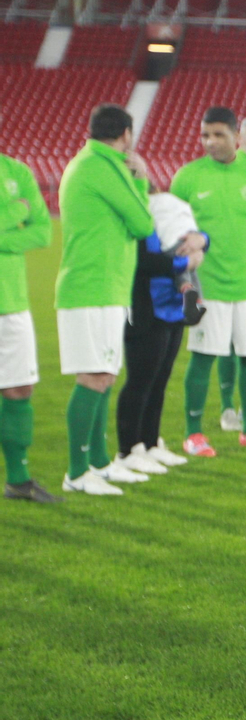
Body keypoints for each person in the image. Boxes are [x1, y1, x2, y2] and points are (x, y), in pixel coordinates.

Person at [54, 104, 158, 495]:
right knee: (93, 377)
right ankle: (76, 473)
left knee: (105, 375)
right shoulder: (103, 166)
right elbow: (143, 223)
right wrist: (141, 180)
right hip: (92, 287)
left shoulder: (91, 163)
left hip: (103, 287)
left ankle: (99, 463)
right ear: (126, 134)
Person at [171, 106, 246, 457]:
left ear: (236, 137)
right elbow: (177, 231)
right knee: (203, 358)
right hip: (209, 286)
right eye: (205, 135)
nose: (210, 142)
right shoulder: (188, 177)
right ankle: (193, 433)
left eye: (218, 135)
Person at [114, 177, 207, 477]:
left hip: (172, 308)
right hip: (145, 308)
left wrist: (201, 240)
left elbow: (196, 236)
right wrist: (183, 264)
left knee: (159, 380)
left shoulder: (167, 218)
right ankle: (128, 449)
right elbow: (142, 262)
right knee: (140, 381)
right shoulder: (134, 221)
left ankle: (151, 442)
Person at [0, 139, 59, 502]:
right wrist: (12, 213)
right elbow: (26, 226)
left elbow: (42, 232)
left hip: (12, 301)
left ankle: (18, 480)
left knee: (20, 388)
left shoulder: (16, 171)